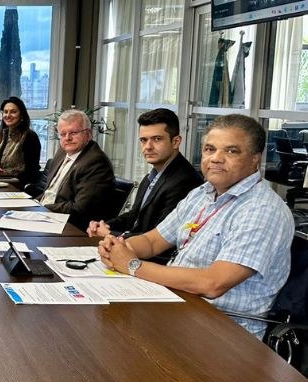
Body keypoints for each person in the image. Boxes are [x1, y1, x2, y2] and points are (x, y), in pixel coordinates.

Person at [98, 114, 293, 339]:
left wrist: (132, 265)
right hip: (177, 308)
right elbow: (152, 241)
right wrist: (119, 248)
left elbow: (213, 283)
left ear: (254, 159)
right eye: (210, 149)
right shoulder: (202, 193)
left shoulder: (261, 210)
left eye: (231, 151)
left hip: (224, 332)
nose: (216, 158)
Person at [87, 108, 203, 265]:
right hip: (133, 251)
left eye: (157, 139)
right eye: (143, 140)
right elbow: (134, 215)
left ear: (176, 142)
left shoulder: (185, 180)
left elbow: (159, 236)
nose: (148, 146)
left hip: (154, 261)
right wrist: (106, 225)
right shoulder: (154, 174)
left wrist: (110, 233)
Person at [40, 109, 115, 230]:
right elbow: (49, 193)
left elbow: (80, 208)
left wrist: (42, 208)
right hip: (47, 216)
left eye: (73, 133)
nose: (67, 138)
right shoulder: (62, 152)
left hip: (70, 226)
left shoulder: (95, 162)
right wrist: (33, 205)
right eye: (63, 134)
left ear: (88, 134)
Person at [0, 96, 41, 188]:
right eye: (5, 112)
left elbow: (31, 171)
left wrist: (9, 180)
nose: (8, 115)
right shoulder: (4, 133)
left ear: (22, 115)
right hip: (0, 181)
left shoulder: (29, 137)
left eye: (13, 112)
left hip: (17, 185)